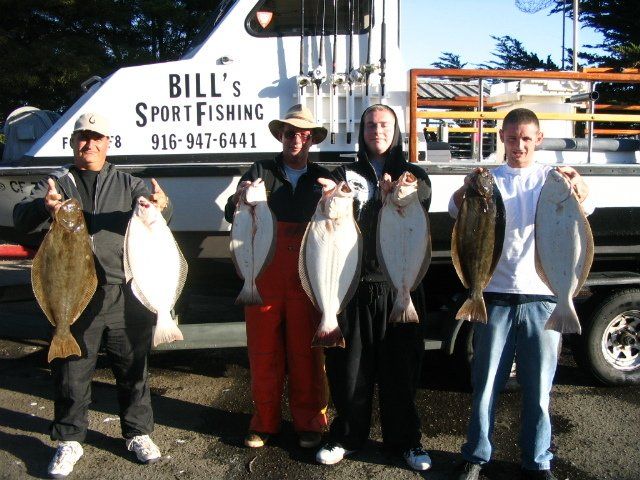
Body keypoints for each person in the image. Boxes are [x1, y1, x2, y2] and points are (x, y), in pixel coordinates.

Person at [13, 112, 172, 478]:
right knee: (71, 371)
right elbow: (22, 219)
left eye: (97, 137)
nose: (90, 144)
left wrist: (163, 205)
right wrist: (43, 207)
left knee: (133, 368)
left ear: (108, 143)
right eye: (83, 137)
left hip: (125, 291)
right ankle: (69, 438)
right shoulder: (56, 183)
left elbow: (159, 213)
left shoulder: (128, 183)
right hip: (72, 293)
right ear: (73, 143)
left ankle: (138, 432)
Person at [448, 108, 593, 480]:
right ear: (502, 138)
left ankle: (538, 459)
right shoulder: (489, 178)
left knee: (539, 390)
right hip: (492, 296)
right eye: (512, 138)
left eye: (526, 138)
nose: (519, 146)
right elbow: (454, 210)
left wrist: (581, 186)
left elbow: (586, 208)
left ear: (539, 139)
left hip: (543, 299)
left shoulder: (552, 178)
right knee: (484, 387)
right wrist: (465, 188)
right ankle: (476, 456)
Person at [315, 104, 433, 471]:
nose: (376, 130)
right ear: (360, 130)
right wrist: (327, 197)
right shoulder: (343, 173)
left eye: (384, 124)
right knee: (349, 373)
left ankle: (406, 442)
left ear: (396, 130)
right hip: (352, 288)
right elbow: (321, 209)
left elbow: (424, 196)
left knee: (400, 373)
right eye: (369, 125)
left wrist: (399, 192)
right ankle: (347, 436)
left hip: (399, 288)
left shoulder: (411, 174)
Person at [224, 104, 330, 450]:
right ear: (280, 136)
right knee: (263, 352)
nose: (295, 139)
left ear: (312, 139)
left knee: (307, 353)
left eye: (302, 133)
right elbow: (232, 211)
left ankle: (310, 422)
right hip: (263, 274)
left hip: (307, 275)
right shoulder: (260, 170)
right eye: (289, 133)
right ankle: (264, 421)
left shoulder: (324, 177)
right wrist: (241, 197)